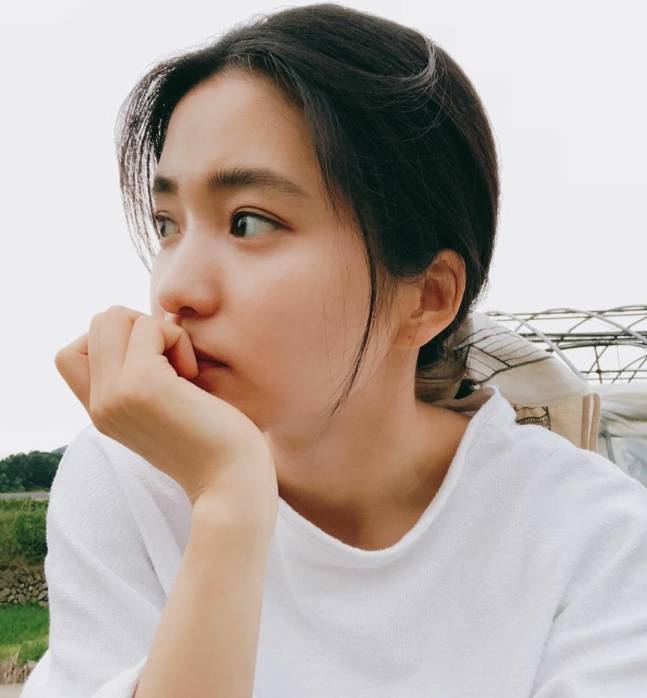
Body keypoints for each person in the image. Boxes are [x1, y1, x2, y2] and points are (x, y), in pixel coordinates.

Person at [20, 4, 647, 697]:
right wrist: (228, 500)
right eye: (168, 223)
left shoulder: (590, 534)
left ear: (425, 298)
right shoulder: (131, 477)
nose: (176, 288)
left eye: (248, 222)